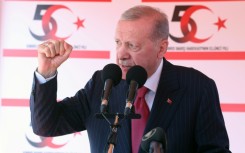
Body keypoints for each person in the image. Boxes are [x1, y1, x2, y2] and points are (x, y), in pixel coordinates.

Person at [30, 5, 231, 153]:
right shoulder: (103, 83)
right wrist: (46, 72)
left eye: (132, 46)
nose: (121, 54)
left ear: (161, 48)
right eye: (118, 43)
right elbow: (46, 125)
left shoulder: (197, 87)